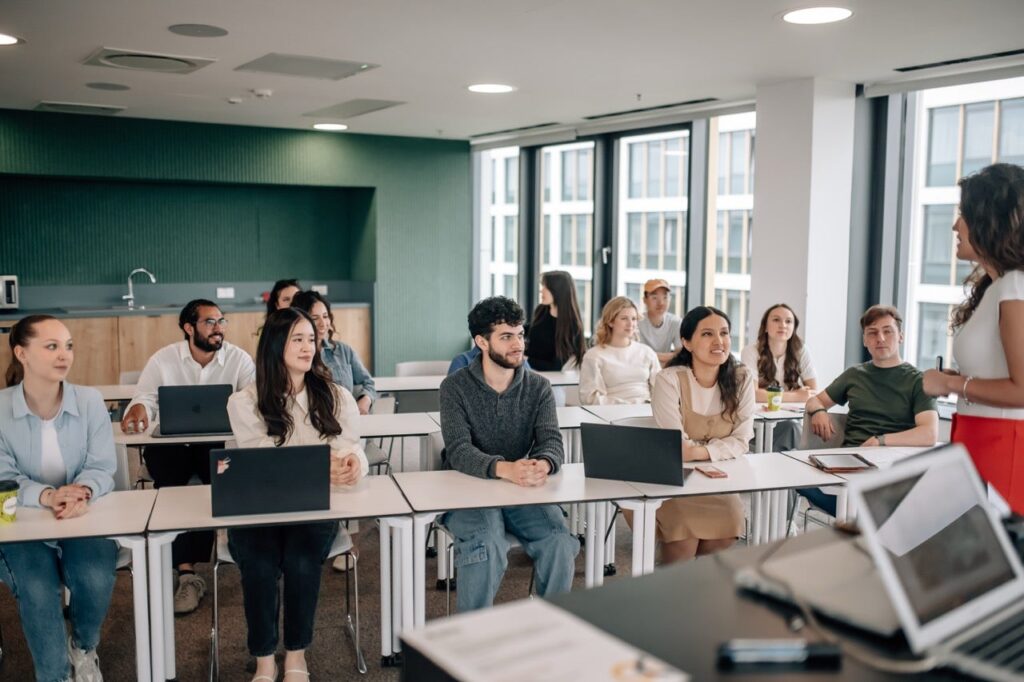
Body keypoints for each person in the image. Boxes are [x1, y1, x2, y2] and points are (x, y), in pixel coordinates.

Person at [227, 307, 368, 682]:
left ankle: (295, 655)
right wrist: (321, 465)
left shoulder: (336, 395)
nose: (309, 347)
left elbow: (351, 446)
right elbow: (263, 459)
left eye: (311, 339)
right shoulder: (245, 401)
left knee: (302, 561)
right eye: (298, 339)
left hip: (313, 505)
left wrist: (352, 464)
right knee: (259, 564)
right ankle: (264, 659)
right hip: (258, 508)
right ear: (275, 345)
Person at [439, 296, 579, 612]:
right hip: (467, 487)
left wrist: (543, 464)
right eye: (506, 337)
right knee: (486, 545)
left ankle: (552, 628)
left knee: (559, 541)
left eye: (520, 334)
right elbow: (459, 451)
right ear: (481, 342)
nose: (518, 344)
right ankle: (472, 635)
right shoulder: (454, 387)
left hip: (518, 487)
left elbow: (552, 442)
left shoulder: (539, 387)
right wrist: (507, 469)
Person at [0, 315, 117, 682]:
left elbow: (102, 465)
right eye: (51, 346)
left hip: (80, 515)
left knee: (94, 576)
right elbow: (3, 477)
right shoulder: (1, 408)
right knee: (38, 588)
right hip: (20, 522)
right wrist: (48, 495)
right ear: (22, 353)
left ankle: (83, 647)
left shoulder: (89, 400)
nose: (64, 355)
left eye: (68, 346)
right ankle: (54, 676)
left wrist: (81, 492)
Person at [120, 299, 255, 614]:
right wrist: (138, 408)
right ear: (189, 328)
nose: (218, 328)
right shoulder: (163, 359)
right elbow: (144, 397)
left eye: (221, 321)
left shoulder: (239, 360)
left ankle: (185, 570)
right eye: (210, 322)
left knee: (212, 488)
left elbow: (252, 402)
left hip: (217, 445)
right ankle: (186, 572)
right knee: (172, 486)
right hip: (172, 446)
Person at [922, 163, 1024, 514]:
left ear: (988, 220)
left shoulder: (1015, 286)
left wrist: (952, 385)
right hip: (981, 440)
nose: (955, 226)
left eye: (963, 215)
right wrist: (960, 380)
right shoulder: (1000, 287)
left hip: (1003, 447)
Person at [803, 305, 939, 515]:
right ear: (865, 340)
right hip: (848, 466)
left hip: (891, 470)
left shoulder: (919, 381)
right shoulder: (855, 374)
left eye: (887, 331)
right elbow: (814, 401)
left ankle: (860, 522)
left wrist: (880, 441)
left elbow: (929, 433)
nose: (880, 338)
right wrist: (819, 411)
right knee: (790, 470)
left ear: (901, 336)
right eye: (872, 333)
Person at [646, 306, 755, 563]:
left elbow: (742, 440)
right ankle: (673, 582)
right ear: (686, 342)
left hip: (719, 478)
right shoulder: (668, 379)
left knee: (728, 530)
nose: (719, 341)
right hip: (675, 479)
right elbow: (676, 446)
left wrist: (699, 451)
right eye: (707, 334)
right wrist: (716, 448)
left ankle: (691, 581)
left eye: (724, 333)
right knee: (683, 542)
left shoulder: (742, 377)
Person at [291, 290, 376, 415]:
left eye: (325, 316)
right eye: (315, 318)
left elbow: (368, 383)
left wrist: (365, 400)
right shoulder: (296, 355)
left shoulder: (344, 351)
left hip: (346, 420)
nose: (323, 323)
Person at [579, 296, 660, 405]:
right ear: (610, 322)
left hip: (646, 410)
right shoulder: (594, 356)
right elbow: (589, 398)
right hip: (612, 412)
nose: (630, 324)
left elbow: (661, 390)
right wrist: (628, 405)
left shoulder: (647, 352)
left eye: (634, 319)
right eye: (624, 318)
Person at [740, 303, 818, 404]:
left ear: (793, 328)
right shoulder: (750, 352)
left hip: (794, 413)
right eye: (776, 320)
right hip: (761, 413)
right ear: (765, 326)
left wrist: (768, 395)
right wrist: (796, 396)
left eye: (788, 321)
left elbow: (813, 392)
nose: (783, 325)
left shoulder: (801, 350)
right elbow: (752, 394)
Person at [525, 271, 587, 371]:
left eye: (546, 287)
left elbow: (555, 367)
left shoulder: (572, 326)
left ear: (557, 290)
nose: (541, 291)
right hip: (526, 368)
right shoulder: (542, 310)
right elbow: (532, 329)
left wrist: (526, 360)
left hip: (544, 375)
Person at [637, 279, 683, 366]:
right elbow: (638, 355)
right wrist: (670, 356)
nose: (661, 303)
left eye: (665, 297)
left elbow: (680, 354)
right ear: (644, 300)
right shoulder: (637, 322)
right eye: (654, 298)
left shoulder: (676, 322)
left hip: (666, 368)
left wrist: (652, 356)